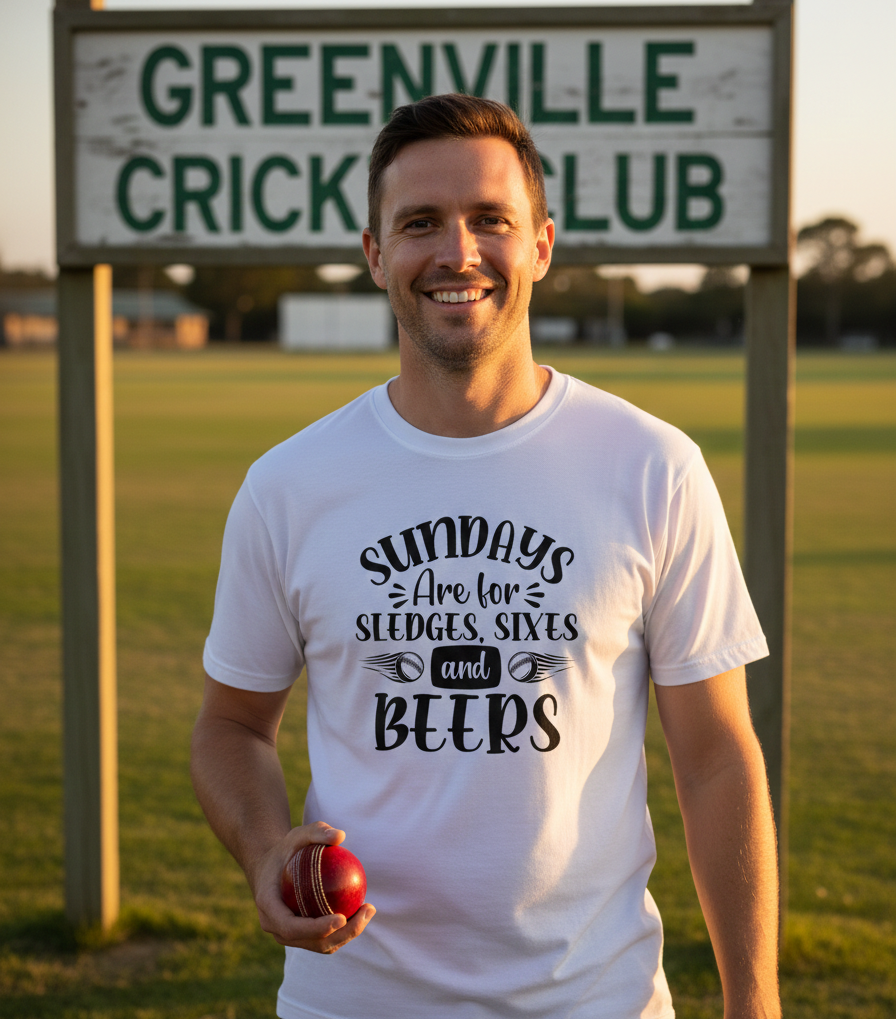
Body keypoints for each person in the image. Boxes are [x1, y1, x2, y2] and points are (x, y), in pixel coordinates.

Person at [191, 93, 781, 1019]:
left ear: (541, 245)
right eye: (420, 222)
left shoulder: (653, 467)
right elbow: (230, 726)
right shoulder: (288, 485)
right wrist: (267, 850)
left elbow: (715, 758)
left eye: (490, 220)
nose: (457, 252)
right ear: (375, 253)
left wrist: (755, 1001)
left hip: (596, 999)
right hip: (354, 1001)